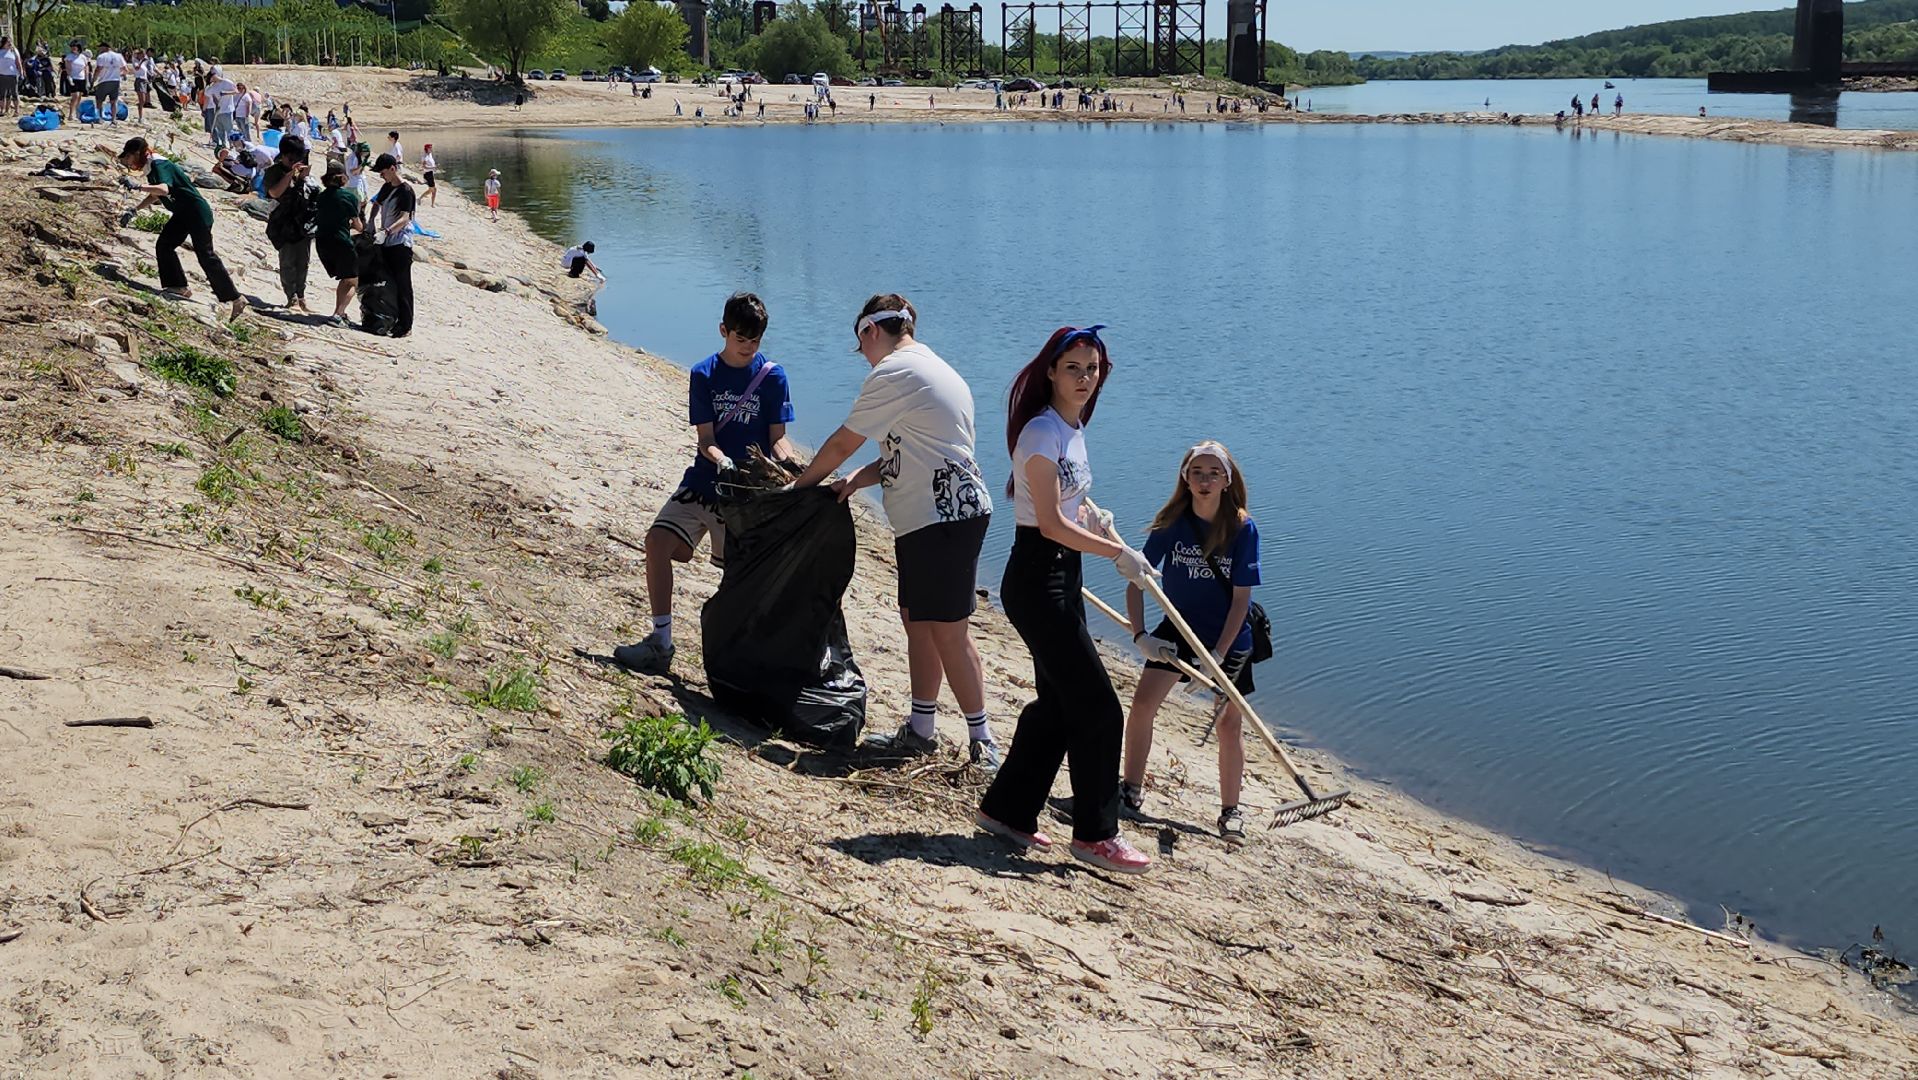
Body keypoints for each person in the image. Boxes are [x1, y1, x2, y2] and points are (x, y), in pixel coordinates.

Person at [788, 295, 1001, 772]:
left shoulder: (893, 372)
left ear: (869, 331)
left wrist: (799, 487)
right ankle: (922, 729)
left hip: (942, 517)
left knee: (948, 632)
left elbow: (844, 440)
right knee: (917, 621)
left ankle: (983, 743)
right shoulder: (931, 368)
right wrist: (858, 480)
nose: (863, 356)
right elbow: (914, 449)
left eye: (859, 345)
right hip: (934, 516)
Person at [974, 325, 1153, 872]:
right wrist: (1115, 554)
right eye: (1073, 368)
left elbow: (1063, 500)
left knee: (1057, 705)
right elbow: (1048, 523)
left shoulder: (1072, 428)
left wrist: (1093, 516)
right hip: (1037, 578)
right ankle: (1095, 835)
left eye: (1092, 369)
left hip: (1061, 575)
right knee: (1099, 707)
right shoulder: (1039, 432)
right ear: (1050, 370)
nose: (1083, 378)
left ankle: (1007, 812)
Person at [614, 293, 797, 675]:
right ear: (723, 331)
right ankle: (660, 642)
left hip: (747, 497)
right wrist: (722, 461)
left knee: (740, 581)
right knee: (658, 543)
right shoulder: (704, 374)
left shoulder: (773, 377)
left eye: (755, 341)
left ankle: (741, 661)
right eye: (740, 339)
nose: (748, 348)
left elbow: (777, 437)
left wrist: (790, 465)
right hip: (704, 480)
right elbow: (706, 439)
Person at [1118, 442, 1262, 843]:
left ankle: (1231, 813)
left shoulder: (1242, 527)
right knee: (1143, 705)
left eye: (1213, 473)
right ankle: (1130, 791)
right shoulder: (1172, 523)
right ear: (1185, 477)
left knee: (1228, 724)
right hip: (1178, 628)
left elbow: (1240, 601)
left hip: (1227, 637)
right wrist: (1141, 635)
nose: (1204, 480)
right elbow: (1138, 579)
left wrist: (1216, 656)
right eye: (1197, 471)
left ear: (1227, 480)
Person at [117, 136, 246, 321]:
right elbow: (155, 195)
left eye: (128, 157)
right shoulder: (151, 167)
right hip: (183, 213)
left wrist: (138, 186)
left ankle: (236, 298)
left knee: (206, 255)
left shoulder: (160, 165)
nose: (128, 162)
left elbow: (163, 189)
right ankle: (178, 286)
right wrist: (135, 210)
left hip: (196, 212)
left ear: (137, 153)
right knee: (164, 245)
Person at [264, 134, 315, 314]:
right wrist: (290, 174)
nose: (295, 161)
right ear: (284, 155)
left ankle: (301, 296)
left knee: (303, 262)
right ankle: (290, 297)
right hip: (283, 224)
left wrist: (303, 178)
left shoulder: (300, 172)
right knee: (288, 261)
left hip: (301, 223)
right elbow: (274, 193)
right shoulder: (274, 172)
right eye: (292, 158)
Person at [367, 153, 416, 338]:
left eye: (383, 172)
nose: (382, 175)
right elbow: (376, 203)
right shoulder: (387, 187)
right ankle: (391, 319)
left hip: (400, 243)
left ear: (393, 169)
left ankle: (406, 325)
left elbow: (405, 218)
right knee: (389, 284)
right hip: (386, 241)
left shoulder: (406, 190)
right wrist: (371, 221)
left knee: (403, 285)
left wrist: (387, 231)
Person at [312, 160, 362, 327]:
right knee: (353, 280)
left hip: (322, 242)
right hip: (341, 242)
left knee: (344, 278)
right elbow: (358, 225)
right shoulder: (348, 196)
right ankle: (338, 314)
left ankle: (339, 312)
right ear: (342, 177)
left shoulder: (321, 196)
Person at [62, 41, 86, 121]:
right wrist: (69, 76)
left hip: (81, 78)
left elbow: (85, 67)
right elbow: (67, 67)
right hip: (73, 77)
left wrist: (88, 79)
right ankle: (71, 114)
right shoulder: (69, 56)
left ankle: (77, 112)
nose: (73, 48)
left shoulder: (83, 57)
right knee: (74, 96)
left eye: (74, 46)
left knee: (79, 96)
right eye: (71, 46)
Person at [0, 37, 22, 119]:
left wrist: (21, 73)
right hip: (1, 75)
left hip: (13, 75)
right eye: (8, 42)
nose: (10, 43)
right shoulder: (0, 52)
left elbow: (18, 62)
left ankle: (17, 111)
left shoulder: (14, 51)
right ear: (3, 43)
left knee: (14, 93)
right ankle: (3, 110)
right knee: (2, 94)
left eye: (10, 42)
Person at [419, 142, 438, 207]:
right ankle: (432, 204)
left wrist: (433, 167)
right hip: (428, 174)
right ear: (427, 148)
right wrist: (433, 167)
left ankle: (420, 198)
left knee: (431, 190)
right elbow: (424, 166)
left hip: (431, 173)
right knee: (434, 190)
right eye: (430, 148)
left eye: (431, 148)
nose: (431, 149)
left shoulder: (430, 154)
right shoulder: (425, 156)